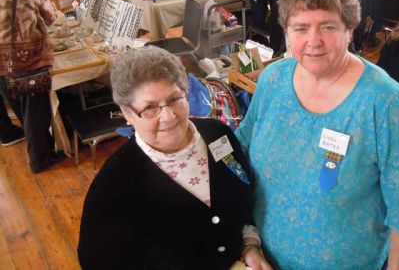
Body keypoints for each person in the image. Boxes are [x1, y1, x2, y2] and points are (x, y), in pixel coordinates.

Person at [236, 0, 399, 269]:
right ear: (286, 30)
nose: (314, 41)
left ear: (350, 29)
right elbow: (239, 161)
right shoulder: (272, 80)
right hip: (263, 260)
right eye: (300, 28)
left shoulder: (384, 104)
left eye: (327, 27)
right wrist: (248, 241)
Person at [78, 47, 272, 270]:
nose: (168, 117)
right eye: (150, 107)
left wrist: (250, 246)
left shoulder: (219, 135)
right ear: (127, 114)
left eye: (174, 99)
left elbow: (243, 200)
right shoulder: (112, 187)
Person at [0, 0, 66, 173]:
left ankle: (41, 148)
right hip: (29, 58)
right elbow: (49, 15)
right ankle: (41, 159)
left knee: (20, 106)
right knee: (36, 111)